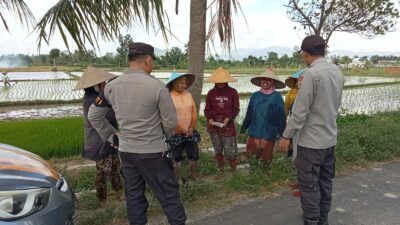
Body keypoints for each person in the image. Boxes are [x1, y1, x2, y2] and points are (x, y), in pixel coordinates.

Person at [88, 42, 186, 225]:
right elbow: (170, 123)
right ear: (148, 60)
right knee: (169, 196)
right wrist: (160, 136)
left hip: (127, 152)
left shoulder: (111, 86)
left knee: (134, 198)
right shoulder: (157, 87)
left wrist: (112, 136)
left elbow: (94, 115)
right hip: (154, 153)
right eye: (153, 61)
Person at [278, 35, 344, 225]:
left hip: (310, 144)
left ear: (305, 54)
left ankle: (312, 220)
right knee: (325, 182)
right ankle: (322, 220)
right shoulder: (337, 72)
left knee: (309, 186)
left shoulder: (311, 75)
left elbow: (299, 113)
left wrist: (285, 136)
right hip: (329, 139)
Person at [73, 66, 123, 207]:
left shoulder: (98, 97)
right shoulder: (92, 100)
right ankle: (102, 199)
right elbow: (109, 116)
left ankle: (119, 192)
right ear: (96, 85)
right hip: (100, 139)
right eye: (103, 83)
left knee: (115, 166)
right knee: (103, 170)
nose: (106, 85)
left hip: (109, 137)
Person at [239, 69, 286, 166]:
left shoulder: (277, 97)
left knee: (266, 161)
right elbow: (249, 114)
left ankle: (265, 178)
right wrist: (243, 129)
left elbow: (281, 117)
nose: (265, 82)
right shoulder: (255, 96)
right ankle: (253, 178)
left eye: (269, 80)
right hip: (254, 133)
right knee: (251, 159)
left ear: (273, 82)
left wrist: (283, 135)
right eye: (263, 79)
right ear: (260, 81)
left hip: (268, 135)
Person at [165, 72, 201, 182]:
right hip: (175, 132)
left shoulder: (188, 95)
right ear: (174, 83)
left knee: (194, 155)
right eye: (181, 83)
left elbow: (194, 112)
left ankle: (193, 175)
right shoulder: (168, 96)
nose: (183, 85)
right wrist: (180, 129)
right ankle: (177, 179)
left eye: (185, 83)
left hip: (189, 131)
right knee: (176, 157)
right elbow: (168, 116)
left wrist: (191, 127)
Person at [204, 67, 240, 176]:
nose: (220, 83)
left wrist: (229, 118)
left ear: (226, 80)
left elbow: (236, 109)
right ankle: (221, 172)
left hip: (228, 127)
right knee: (218, 150)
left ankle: (234, 173)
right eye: (218, 81)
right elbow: (207, 109)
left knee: (231, 152)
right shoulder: (211, 93)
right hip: (214, 127)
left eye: (222, 81)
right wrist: (209, 118)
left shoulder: (233, 92)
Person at [284, 69, 305, 158]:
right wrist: (284, 121)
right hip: (294, 118)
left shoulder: (309, 92)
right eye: (296, 81)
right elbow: (286, 107)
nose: (297, 83)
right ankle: (291, 156)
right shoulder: (291, 92)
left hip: (306, 121)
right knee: (292, 138)